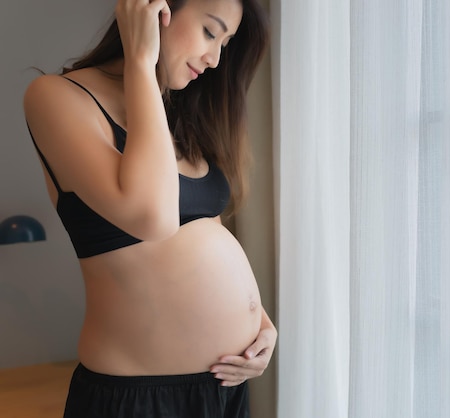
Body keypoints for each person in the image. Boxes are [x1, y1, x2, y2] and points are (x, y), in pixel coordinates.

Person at [23, 0, 276, 416]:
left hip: (224, 387)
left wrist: (259, 323)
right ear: (155, 9)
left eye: (225, 45)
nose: (214, 60)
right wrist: (141, 61)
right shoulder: (56, 97)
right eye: (210, 32)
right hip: (139, 398)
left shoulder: (178, 110)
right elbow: (153, 218)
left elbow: (199, 231)